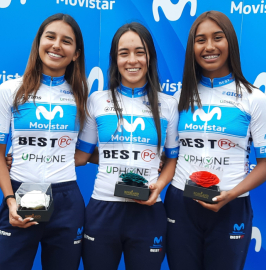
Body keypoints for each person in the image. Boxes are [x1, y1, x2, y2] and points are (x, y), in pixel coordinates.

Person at [165, 11, 266, 270]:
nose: (209, 47)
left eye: (218, 37)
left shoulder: (254, 99)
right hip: (181, 204)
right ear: (192, 47)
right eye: (200, 40)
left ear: (231, 44)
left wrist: (231, 195)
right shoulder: (181, 95)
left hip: (230, 207)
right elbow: (171, 153)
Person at [74, 22, 179, 270]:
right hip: (102, 209)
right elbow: (81, 155)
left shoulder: (168, 104)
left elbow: (172, 159)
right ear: (115, 59)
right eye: (124, 53)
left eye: (140, 52)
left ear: (150, 57)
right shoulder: (98, 101)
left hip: (149, 211)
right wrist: (29, 157)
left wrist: (159, 187)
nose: (132, 60)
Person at [0, 13, 88, 270]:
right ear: (38, 43)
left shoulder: (83, 97)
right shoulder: (10, 90)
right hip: (21, 193)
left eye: (67, 41)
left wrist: (143, 161)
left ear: (76, 53)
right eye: (50, 37)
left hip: (66, 199)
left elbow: (84, 154)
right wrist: (11, 200)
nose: (57, 45)